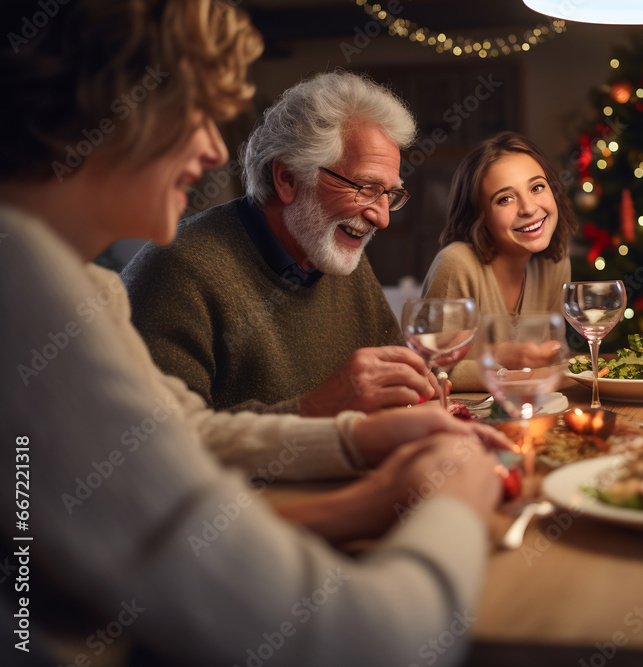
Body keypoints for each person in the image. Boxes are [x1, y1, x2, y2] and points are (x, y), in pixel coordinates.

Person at [0, 2, 502, 665]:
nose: (214, 148)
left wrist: (362, 439)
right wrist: (454, 496)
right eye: (195, 110)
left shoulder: (79, 282)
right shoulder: (27, 289)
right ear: (107, 109)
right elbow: (371, 642)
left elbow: (178, 436)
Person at [121, 68, 441, 415]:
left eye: (390, 194)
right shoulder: (177, 269)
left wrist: (418, 388)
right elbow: (163, 441)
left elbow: (395, 382)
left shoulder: (337, 254)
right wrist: (315, 408)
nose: (382, 217)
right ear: (288, 178)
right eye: (366, 188)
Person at [421, 131, 578, 390]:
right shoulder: (457, 264)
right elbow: (431, 369)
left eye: (537, 187)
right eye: (505, 199)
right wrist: (501, 361)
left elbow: (550, 360)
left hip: (531, 411)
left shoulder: (555, 262)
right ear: (479, 216)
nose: (528, 208)